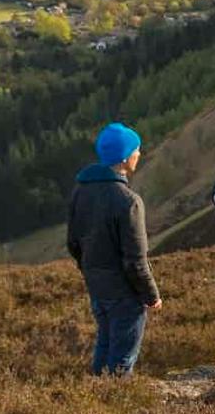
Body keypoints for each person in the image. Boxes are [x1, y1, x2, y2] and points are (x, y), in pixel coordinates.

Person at [67, 122, 162, 376]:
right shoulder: (129, 202)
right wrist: (152, 296)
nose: (139, 154)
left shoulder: (81, 191)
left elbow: (73, 242)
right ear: (124, 157)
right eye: (136, 150)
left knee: (105, 343)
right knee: (122, 356)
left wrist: (91, 270)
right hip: (124, 292)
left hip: (97, 286)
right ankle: (115, 403)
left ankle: (98, 399)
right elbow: (135, 261)